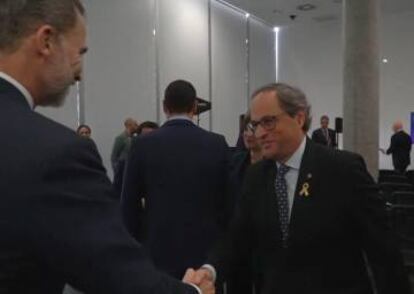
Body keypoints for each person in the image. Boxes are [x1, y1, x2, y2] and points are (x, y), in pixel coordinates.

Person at [0, 1, 212, 293]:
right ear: (46, 41)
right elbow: (117, 278)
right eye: (80, 53)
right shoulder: (56, 154)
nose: (80, 74)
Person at [185, 83, 410, 294]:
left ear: (299, 117)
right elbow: (237, 238)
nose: (259, 133)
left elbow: (383, 250)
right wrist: (209, 271)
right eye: (254, 125)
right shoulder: (256, 176)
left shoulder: (343, 169)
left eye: (269, 122)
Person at [122, 80, 231, 280]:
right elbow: (228, 204)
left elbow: (129, 206)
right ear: (195, 107)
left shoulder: (142, 145)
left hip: (156, 253)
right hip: (204, 255)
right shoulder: (217, 144)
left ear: (165, 107)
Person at [227, 112, 263, 294]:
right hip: (239, 244)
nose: (248, 134)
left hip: (266, 244)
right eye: (245, 130)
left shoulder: (276, 165)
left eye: (253, 129)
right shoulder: (235, 162)